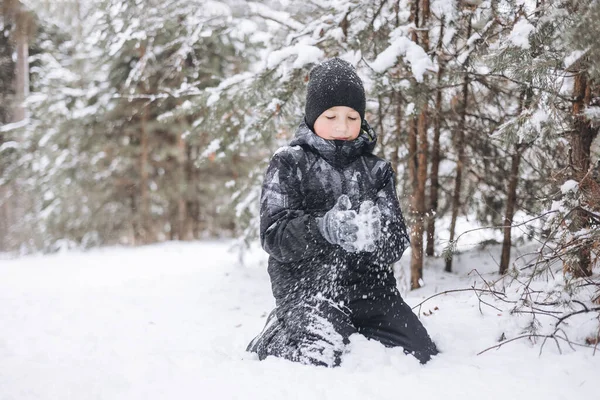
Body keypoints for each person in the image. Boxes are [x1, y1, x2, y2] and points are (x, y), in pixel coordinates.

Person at [246, 57, 438, 367]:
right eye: (331, 115)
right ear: (312, 116)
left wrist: (377, 235)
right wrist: (324, 228)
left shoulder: (377, 171)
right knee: (321, 356)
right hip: (308, 291)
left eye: (352, 117)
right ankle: (274, 335)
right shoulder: (289, 163)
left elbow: (397, 242)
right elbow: (273, 235)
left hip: (370, 290)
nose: (342, 126)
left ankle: (349, 325)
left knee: (422, 353)